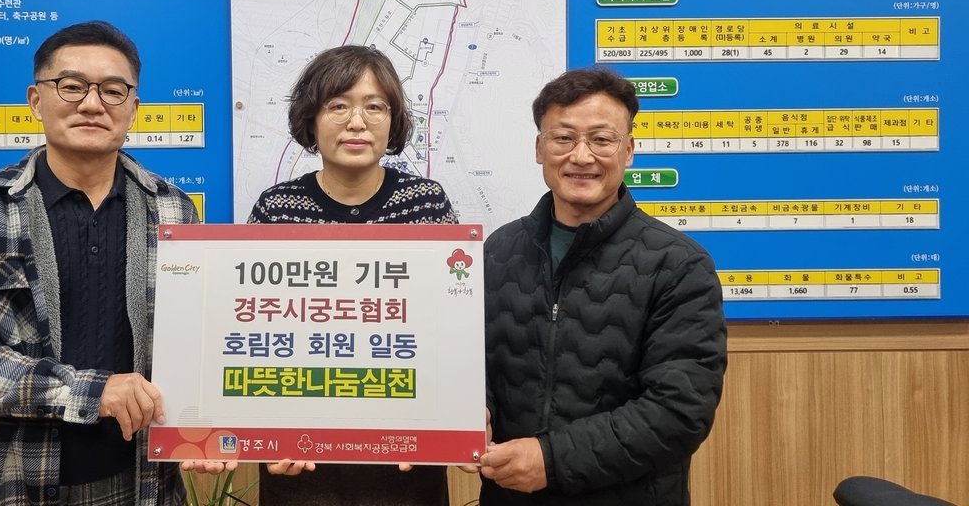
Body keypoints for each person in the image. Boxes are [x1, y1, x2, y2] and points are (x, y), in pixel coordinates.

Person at [0, 21, 214, 506]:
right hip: (11, 482)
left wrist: (208, 427)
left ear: (133, 109)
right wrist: (90, 393)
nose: (92, 104)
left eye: (113, 90)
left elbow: (196, 342)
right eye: (71, 86)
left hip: (142, 484)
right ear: (36, 100)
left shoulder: (174, 210)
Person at [478, 67, 726, 505]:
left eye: (601, 139)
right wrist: (472, 412)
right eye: (563, 138)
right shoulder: (499, 250)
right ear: (539, 148)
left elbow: (679, 411)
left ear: (627, 151)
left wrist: (552, 459)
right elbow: (475, 365)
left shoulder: (679, 264)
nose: (581, 156)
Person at [248, 44, 458, 505]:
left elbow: (452, 325)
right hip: (300, 452)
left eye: (374, 106)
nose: (357, 122)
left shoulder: (425, 203)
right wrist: (265, 433)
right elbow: (254, 327)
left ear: (393, 120)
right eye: (338, 106)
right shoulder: (277, 208)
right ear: (311, 119)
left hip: (407, 448)